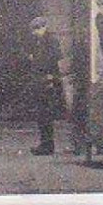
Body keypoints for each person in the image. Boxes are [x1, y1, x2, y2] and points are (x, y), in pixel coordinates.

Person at [25, 17, 65, 155]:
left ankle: (47, 146)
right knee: (42, 115)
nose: (34, 33)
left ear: (44, 27)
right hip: (40, 80)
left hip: (47, 81)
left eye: (37, 29)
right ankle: (45, 144)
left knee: (46, 114)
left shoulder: (51, 40)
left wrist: (35, 59)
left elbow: (54, 58)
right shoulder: (39, 41)